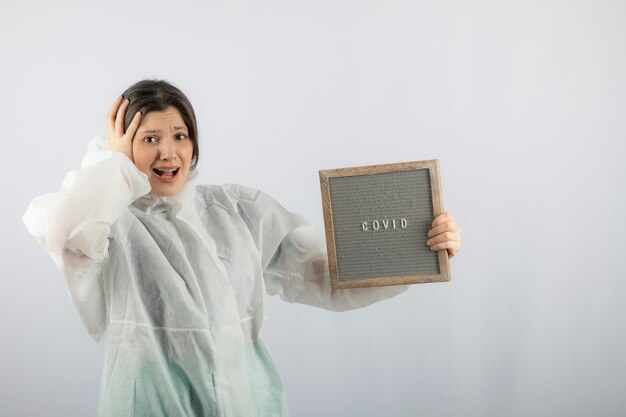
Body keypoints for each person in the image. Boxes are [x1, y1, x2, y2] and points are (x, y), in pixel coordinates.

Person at [23, 80, 462, 417]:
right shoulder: (108, 219)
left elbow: (329, 275)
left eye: (180, 135)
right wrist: (114, 169)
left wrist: (420, 248)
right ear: (122, 148)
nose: (169, 153)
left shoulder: (235, 209)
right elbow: (64, 234)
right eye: (149, 138)